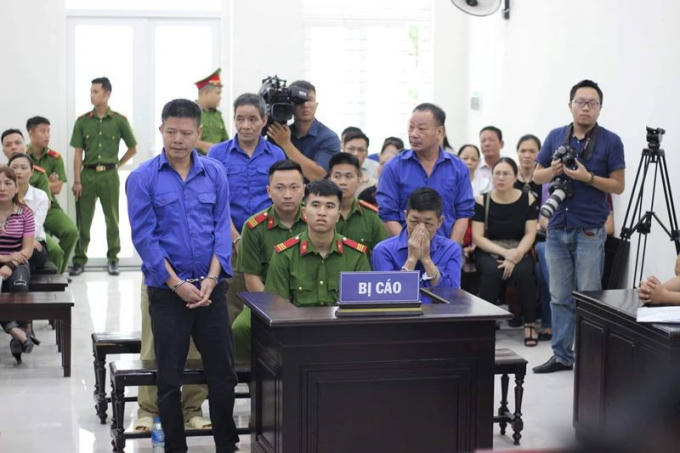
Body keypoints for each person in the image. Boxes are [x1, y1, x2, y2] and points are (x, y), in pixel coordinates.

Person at [126, 99, 238, 452]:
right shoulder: (142, 177)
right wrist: (176, 284)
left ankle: (226, 444)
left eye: (186, 133)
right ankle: (176, 446)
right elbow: (145, 238)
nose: (178, 139)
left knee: (223, 374)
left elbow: (221, 228)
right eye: (171, 131)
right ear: (161, 130)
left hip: (211, 290)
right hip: (167, 293)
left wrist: (211, 279)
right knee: (169, 377)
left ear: (198, 133)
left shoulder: (214, 173)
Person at [532, 79, 625, 373]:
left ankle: (590, 359)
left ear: (600, 108)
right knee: (559, 297)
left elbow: (618, 186)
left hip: (589, 229)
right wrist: (554, 170)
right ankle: (562, 355)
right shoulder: (555, 136)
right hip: (557, 228)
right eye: (580, 102)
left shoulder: (611, 141)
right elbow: (536, 177)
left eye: (592, 103)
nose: (586, 107)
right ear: (570, 105)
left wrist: (588, 178)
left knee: (589, 297)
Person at [208, 93, 286, 322]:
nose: (245, 125)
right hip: (229, 242)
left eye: (252, 119)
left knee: (268, 304)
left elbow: (280, 198)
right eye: (240, 119)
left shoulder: (276, 154)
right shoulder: (217, 154)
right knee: (230, 306)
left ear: (264, 120)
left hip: (267, 242)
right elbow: (215, 202)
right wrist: (236, 239)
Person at [232, 159, 308, 364]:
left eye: (294, 187)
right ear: (268, 191)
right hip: (267, 301)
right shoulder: (253, 227)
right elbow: (252, 278)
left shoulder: (318, 221)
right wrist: (278, 310)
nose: (287, 194)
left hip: (310, 300)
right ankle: (252, 376)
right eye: (280, 188)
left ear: (304, 190)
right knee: (240, 329)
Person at [377, 103, 474, 244]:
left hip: (446, 249)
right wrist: (411, 247)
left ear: (440, 132)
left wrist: (449, 250)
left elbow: (463, 213)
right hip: (404, 250)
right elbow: (387, 214)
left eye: (421, 129)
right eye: (411, 128)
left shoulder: (458, 168)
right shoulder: (393, 167)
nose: (413, 134)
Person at [264, 179, 371, 306]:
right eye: (315, 205)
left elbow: (362, 308)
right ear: (304, 212)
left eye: (329, 206)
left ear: (338, 215)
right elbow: (277, 310)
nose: (322, 213)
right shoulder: (284, 255)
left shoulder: (356, 256)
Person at [70, 76, 137, 276]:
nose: (92, 95)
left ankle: (113, 258)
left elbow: (133, 148)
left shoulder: (119, 121)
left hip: (109, 176)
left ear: (107, 94)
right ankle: (79, 259)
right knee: (83, 220)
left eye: (96, 92)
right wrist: (77, 180)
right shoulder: (82, 121)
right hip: (87, 176)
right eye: (91, 92)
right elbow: (78, 153)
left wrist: (117, 164)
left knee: (112, 218)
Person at [471, 157, 539, 346]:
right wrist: (505, 253)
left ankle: (530, 323)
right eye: (497, 173)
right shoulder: (482, 200)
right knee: (492, 272)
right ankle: (485, 323)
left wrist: (516, 254)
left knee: (524, 272)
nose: (500, 177)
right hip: (489, 249)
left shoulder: (528, 199)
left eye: (506, 173)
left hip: (519, 248)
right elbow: (478, 237)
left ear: (515, 177)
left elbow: (530, 233)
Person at [2, 128, 77, 274]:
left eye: (17, 143)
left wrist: (27, 240)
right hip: (13, 233)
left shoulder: (39, 183)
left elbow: (45, 203)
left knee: (53, 247)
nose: (14, 147)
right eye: (8, 144)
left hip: (44, 213)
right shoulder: (3, 177)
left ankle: (56, 278)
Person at [372, 187, 462, 291]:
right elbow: (386, 294)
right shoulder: (383, 250)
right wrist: (411, 259)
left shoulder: (451, 249)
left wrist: (427, 260)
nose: (421, 228)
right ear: (406, 216)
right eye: (414, 222)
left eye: (428, 223)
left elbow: (452, 293)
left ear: (439, 222)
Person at [25, 117, 79, 274]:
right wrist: (47, 182)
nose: (47, 135)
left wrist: (37, 184)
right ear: (31, 133)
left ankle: (57, 274)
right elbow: (18, 187)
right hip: (27, 207)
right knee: (49, 246)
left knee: (71, 232)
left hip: (50, 206)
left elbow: (57, 188)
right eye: (42, 131)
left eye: (48, 131)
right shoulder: (22, 155)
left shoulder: (55, 157)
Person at [267, 80, 340, 180]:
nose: (305, 105)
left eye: (310, 100)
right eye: (299, 101)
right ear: (290, 105)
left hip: (315, 190)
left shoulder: (329, 138)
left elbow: (317, 176)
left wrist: (286, 144)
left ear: (316, 105)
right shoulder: (279, 133)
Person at [0, 167, 36, 363]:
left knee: (19, 285)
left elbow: (27, 250)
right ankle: (18, 333)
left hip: (18, 263)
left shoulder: (25, 213)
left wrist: (11, 265)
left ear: (16, 188)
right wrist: (6, 258)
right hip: (7, 259)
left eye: (7, 183)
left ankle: (20, 334)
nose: (2, 188)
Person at [328, 152, 388, 252]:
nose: (343, 182)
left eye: (348, 176)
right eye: (337, 176)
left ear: (359, 179)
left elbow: (382, 252)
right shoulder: (319, 213)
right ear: (330, 179)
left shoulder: (371, 216)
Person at [9, 153, 50, 272]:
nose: (18, 171)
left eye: (23, 168)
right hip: (6, 240)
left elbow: (35, 227)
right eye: (14, 167)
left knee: (35, 254)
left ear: (32, 172)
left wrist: (28, 241)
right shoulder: (3, 193)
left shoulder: (41, 196)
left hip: (34, 241)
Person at [195, 68, 229, 153]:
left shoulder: (217, 115)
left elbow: (226, 142)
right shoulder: (190, 113)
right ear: (206, 93)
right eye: (218, 93)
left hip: (216, 160)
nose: (220, 97)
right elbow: (182, 140)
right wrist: (202, 145)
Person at [342, 129, 378, 194]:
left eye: (360, 150)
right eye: (351, 149)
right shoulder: (331, 180)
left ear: (366, 153)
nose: (355, 153)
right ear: (343, 149)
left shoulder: (373, 185)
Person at [473, 125, 504, 194]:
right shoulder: (474, 168)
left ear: (501, 144)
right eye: (483, 141)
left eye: (491, 140)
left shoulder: (509, 168)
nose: (487, 144)